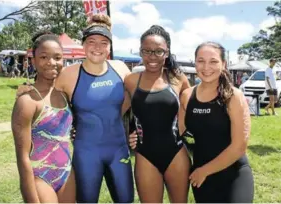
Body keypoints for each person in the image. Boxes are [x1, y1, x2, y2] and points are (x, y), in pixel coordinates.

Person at [53, 14, 134, 203]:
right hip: (86, 153)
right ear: (83, 44)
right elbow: (48, 99)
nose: (97, 47)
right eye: (91, 41)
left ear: (110, 47)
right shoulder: (69, 74)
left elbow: (139, 95)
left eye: (104, 42)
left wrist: (132, 129)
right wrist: (27, 90)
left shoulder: (120, 69)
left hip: (118, 150)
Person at [178, 42, 254, 202]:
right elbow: (178, 133)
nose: (206, 67)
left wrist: (204, 170)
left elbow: (239, 146)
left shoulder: (233, 96)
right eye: (201, 61)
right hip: (201, 178)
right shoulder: (187, 95)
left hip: (233, 174)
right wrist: (140, 135)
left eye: (213, 61)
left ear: (223, 64)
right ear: (195, 62)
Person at [125, 25, 191, 203]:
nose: (152, 57)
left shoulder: (178, 79)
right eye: (147, 51)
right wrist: (129, 132)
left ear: (167, 53)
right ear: (140, 51)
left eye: (158, 51)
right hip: (145, 155)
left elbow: (194, 110)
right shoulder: (131, 81)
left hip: (176, 154)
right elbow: (114, 113)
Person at [11, 31, 75, 203]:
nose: (51, 62)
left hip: (67, 175)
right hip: (40, 176)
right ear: (33, 60)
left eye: (57, 57)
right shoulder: (27, 102)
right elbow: (22, 157)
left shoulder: (66, 96)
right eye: (44, 57)